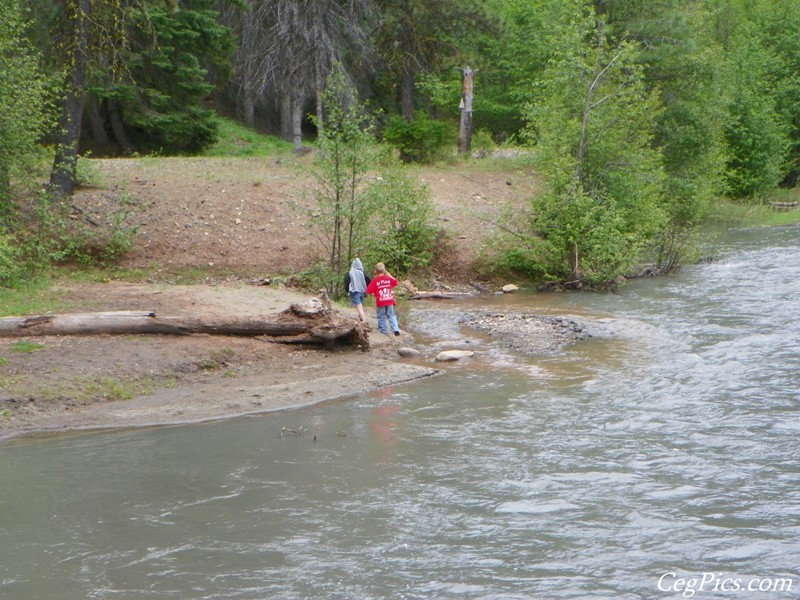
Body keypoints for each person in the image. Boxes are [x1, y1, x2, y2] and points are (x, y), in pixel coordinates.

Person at [365, 262, 401, 336]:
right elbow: (396, 282)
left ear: (375, 271)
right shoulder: (388, 278)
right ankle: (395, 329)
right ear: (384, 270)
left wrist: (365, 294)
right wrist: (389, 275)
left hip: (381, 300)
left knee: (381, 316)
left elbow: (368, 291)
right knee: (391, 315)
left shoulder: (375, 281)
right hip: (389, 299)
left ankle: (383, 331)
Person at [343, 258, 370, 322]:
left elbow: (346, 282)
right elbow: (368, 281)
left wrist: (348, 291)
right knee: (360, 305)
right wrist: (367, 291)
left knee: (359, 307)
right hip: (362, 292)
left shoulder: (349, 273)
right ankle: (361, 318)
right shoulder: (362, 273)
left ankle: (364, 320)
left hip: (355, 292)